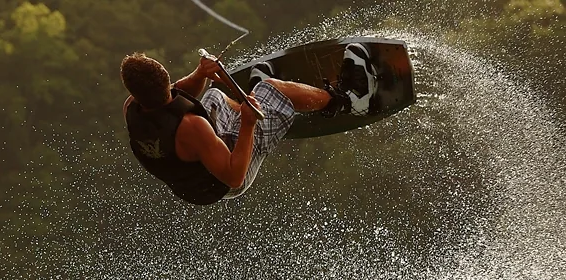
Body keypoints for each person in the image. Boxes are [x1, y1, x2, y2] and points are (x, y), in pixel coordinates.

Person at [122, 43, 377, 205]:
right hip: (225, 180)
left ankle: (264, 106)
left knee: (213, 95)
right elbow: (235, 177)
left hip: (196, 174)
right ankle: (348, 101)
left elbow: (177, 93)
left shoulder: (134, 106)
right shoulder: (191, 127)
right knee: (272, 89)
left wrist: (200, 74)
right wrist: (247, 124)